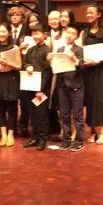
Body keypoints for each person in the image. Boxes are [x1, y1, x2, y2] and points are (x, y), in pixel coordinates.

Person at [80, 4, 103, 144]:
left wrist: (98, 61)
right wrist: (85, 60)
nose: (88, 15)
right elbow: (81, 51)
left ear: (99, 14)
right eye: (87, 13)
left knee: (101, 99)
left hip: (100, 68)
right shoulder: (83, 32)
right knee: (90, 99)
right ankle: (93, 131)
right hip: (88, 69)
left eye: (91, 12)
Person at [50, 23, 85, 152]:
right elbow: (56, 68)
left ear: (76, 36)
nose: (69, 35)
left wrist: (74, 58)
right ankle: (66, 140)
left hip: (76, 85)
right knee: (64, 115)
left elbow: (82, 66)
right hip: (63, 85)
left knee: (77, 115)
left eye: (73, 33)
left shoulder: (79, 49)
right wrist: (51, 60)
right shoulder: (59, 49)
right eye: (68, 33)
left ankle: (79, 140)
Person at [0, 23, 22, 146]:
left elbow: (19, 66)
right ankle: (3, 134)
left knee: (12, 108)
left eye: (4, 32)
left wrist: (9, 64)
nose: (1, 34)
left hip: (12, 79)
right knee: (0, 108)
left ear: (9, 33)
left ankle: (11, 134)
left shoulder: (15, 48)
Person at [21, 24, 52, 151]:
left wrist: (40, 89)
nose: (35, 36)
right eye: (33, 34)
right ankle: (35, 137)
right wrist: (27, 66)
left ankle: (43, 139)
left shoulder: (47, 50)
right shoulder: (30, 50)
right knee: (32, 113)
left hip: (41, 89)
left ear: (44, 35)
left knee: (41, 114)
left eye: (38, 33)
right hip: (29, 87)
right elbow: (25, 63)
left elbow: (47, 71)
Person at [46, 10, 62, 140]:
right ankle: (52, 126)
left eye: (56, 19)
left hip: (61, 71)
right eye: (51, 19)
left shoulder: (65, 34)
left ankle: (63, 129)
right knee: (50, 99)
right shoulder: (46, 34)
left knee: (60, 100)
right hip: (49, 71)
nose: (54, 21)